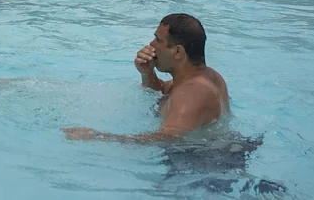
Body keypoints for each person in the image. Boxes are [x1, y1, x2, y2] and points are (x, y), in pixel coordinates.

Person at [63, 13, 230, 142]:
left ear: (178, 51)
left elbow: (166, 139)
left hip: (199, 162)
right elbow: (163, 91)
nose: (152, 44)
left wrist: (96, 136)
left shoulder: (193, 93)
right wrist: (147, 73)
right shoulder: (209, 76)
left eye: (158, 40)